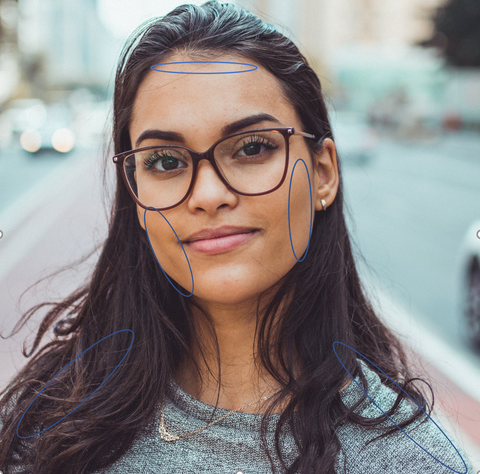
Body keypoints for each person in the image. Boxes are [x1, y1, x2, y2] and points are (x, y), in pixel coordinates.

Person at [0, 1, 476, 473]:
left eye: (251, 148)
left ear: (323, 173)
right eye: (165, 160)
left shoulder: (410, 460)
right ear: (136, 194)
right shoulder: (46, 423)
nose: (208, 195)